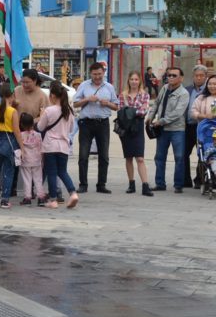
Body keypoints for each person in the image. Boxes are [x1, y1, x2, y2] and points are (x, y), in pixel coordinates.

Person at [73, 62, 119, 194]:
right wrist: (87, 99)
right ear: (90, 74)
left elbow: (116, 106)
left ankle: (101, 184)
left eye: (99, 74)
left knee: (104, 155)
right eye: (95, 74)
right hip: (86, 123)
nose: (97, 77)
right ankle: (83, 184)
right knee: (83, 155)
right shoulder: (84, 85)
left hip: (103, 123)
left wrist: (107, 103)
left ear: (103, 73)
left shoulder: (109, 87)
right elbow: (75, 104)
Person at [146, 67, 190, 193]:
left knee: (179, 157)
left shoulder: (184, 93)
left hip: (177, 130)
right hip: (162, 130)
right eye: (169, 75)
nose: (170, 77)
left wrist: (161, 121)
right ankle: (160, 183)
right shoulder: (164, 88)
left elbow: (177, 113)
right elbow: (156, 103)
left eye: (174, 75)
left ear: (181, 78)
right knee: (159, 157)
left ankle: (178, 185)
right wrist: (150, 117)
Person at [38, 81, 80, 209]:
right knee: (62, 171)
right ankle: (73, 193)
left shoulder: (49, 110)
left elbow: (40, 127)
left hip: (50, 145)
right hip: (64, 145)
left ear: (52, 96)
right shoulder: (69, 111)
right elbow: (71, 128)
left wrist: (41, 115)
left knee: (52, 172)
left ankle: (53, 200)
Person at [118, 71, 151, 196]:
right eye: (131, 79)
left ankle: (145, 185)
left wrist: (129, 111)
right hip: (126, 129)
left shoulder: (144, 95)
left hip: (137, 128)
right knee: (128, 157)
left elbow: (143, 111)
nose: (134, 81)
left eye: (136, 79)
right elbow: (120, 111)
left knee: (140, 158)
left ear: (140, 81)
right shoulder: (123, 95)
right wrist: (133, 111)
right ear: (128, 81)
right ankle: (131, 183)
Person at [184, 65, 208, 190]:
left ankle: (200, 179)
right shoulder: (187, 89)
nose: (198, 78)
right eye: (196, 76)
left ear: (205, 77)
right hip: (187, 127)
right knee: (184, 153)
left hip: (203, 127)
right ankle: (185, 180)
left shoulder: (210, 90)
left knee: (202, 154)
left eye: (201, 76)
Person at [18, 113, 45, 206]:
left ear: (21, 124)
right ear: (33, 123)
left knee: (27, 179)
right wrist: (42, 159)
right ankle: (41, 198)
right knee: (38, 179)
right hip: (37, 160)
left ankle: (27, 198)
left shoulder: (20, 135)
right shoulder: (38, 135)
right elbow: (41, 148)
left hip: (25, 160)